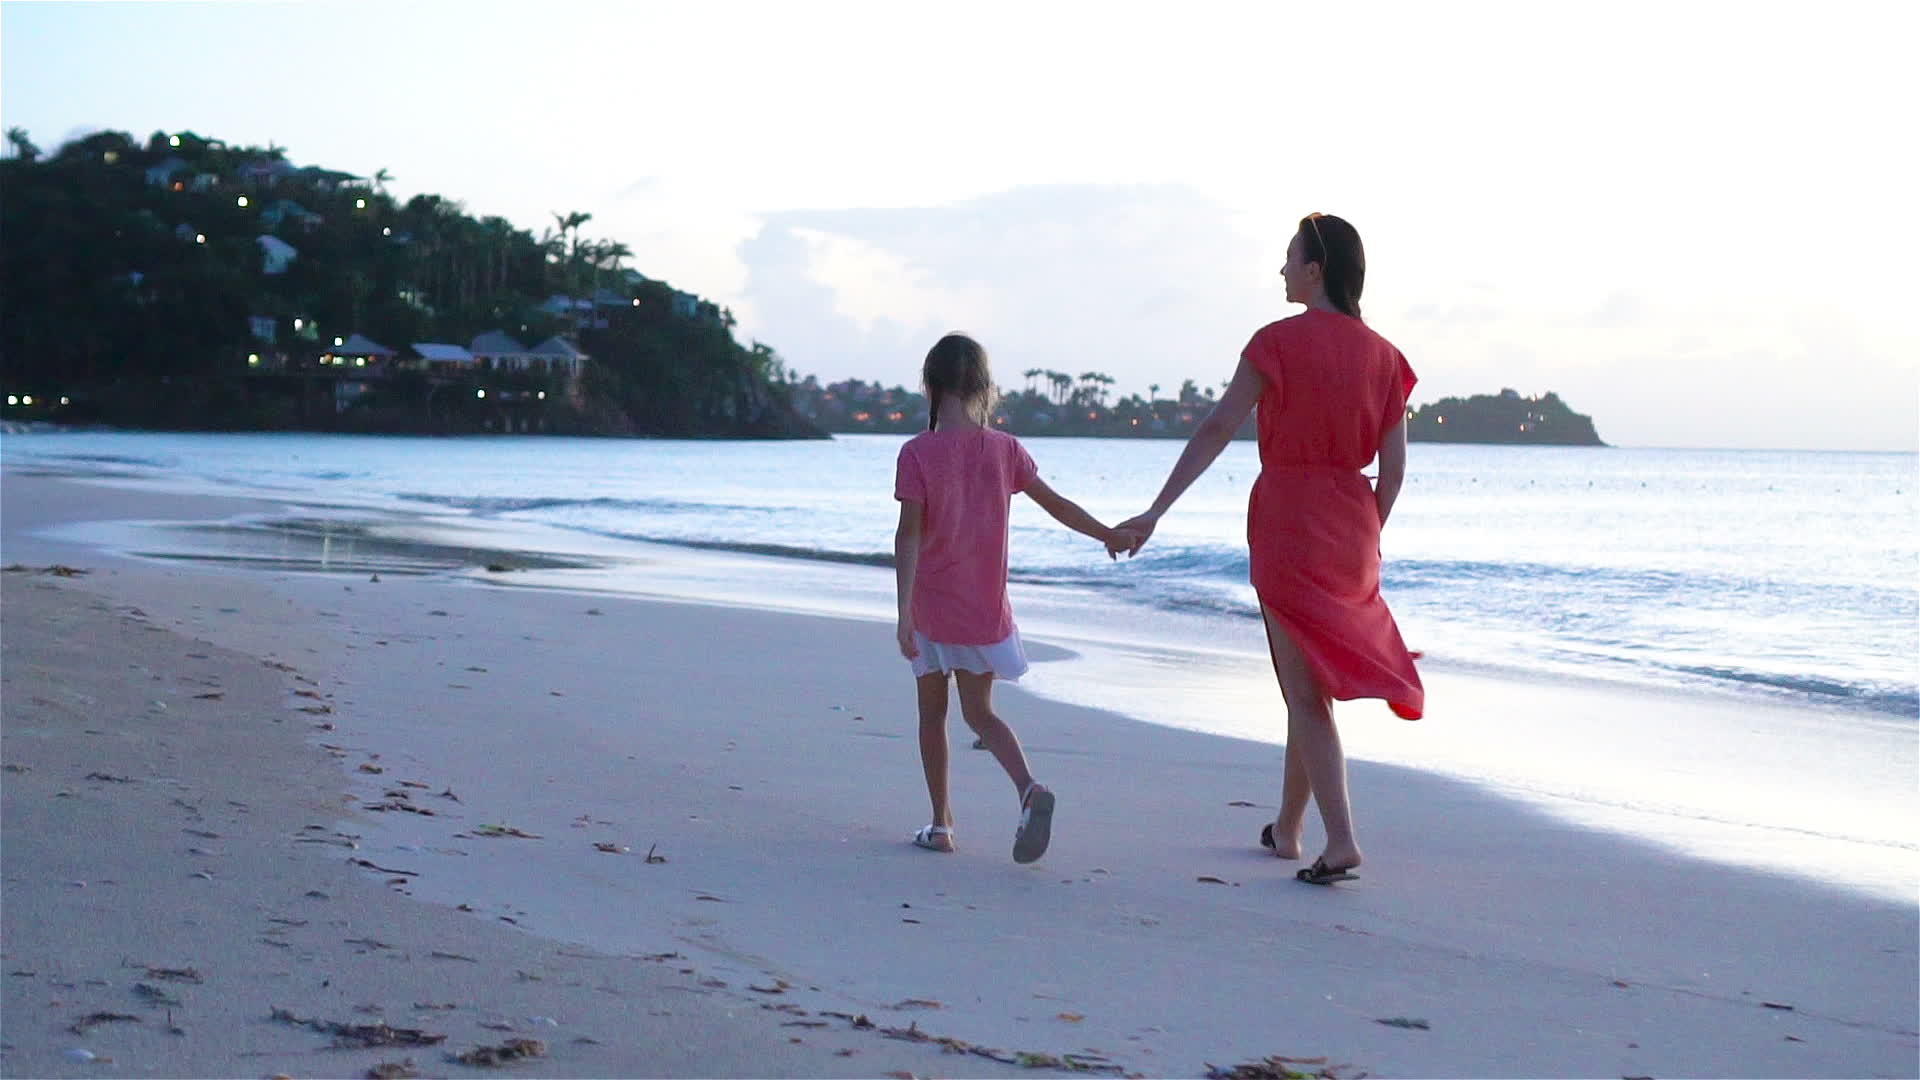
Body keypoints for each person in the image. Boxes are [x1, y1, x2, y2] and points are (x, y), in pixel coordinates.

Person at [1115, 213, 1423, 886]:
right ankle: (1288, 828)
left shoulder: (1277, 343)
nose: (1281, 271)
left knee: (1302, 689)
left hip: (1290, 518)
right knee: (1307, 685)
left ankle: (1341, 842)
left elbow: (1220, 425)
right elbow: (1394, 471)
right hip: (1352, 523)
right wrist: (1367, 529)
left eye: (1289, 260)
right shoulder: (1386, 358)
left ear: (1316, 270)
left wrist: (1156, 510)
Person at [894, 332, 1128, 863]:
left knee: (934, 715)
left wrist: (904, 611)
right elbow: (1057, 505)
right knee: (981, 714)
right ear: (983, 386)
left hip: (932, 609)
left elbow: (908, 535)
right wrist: (1108, 535)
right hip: (983, 611)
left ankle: (941, 824)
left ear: (929, 384)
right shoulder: (1005, 450)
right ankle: (1027, 787)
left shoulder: (917, 453)